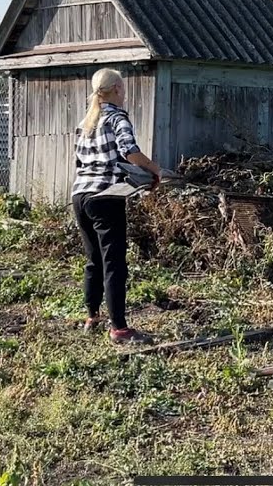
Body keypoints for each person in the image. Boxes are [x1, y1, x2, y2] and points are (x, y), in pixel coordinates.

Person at [72, 68, 165, 345]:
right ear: (115, 90)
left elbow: (79, 162)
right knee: (114, 262)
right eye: (122, 88)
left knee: (93, 261)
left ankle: (92, 316)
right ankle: (119, 328)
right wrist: (154, 170)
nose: (124, 93)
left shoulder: (85, 122)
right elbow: (130, 151)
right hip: (106, 195)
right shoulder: (116, 117)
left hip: (80, 195)